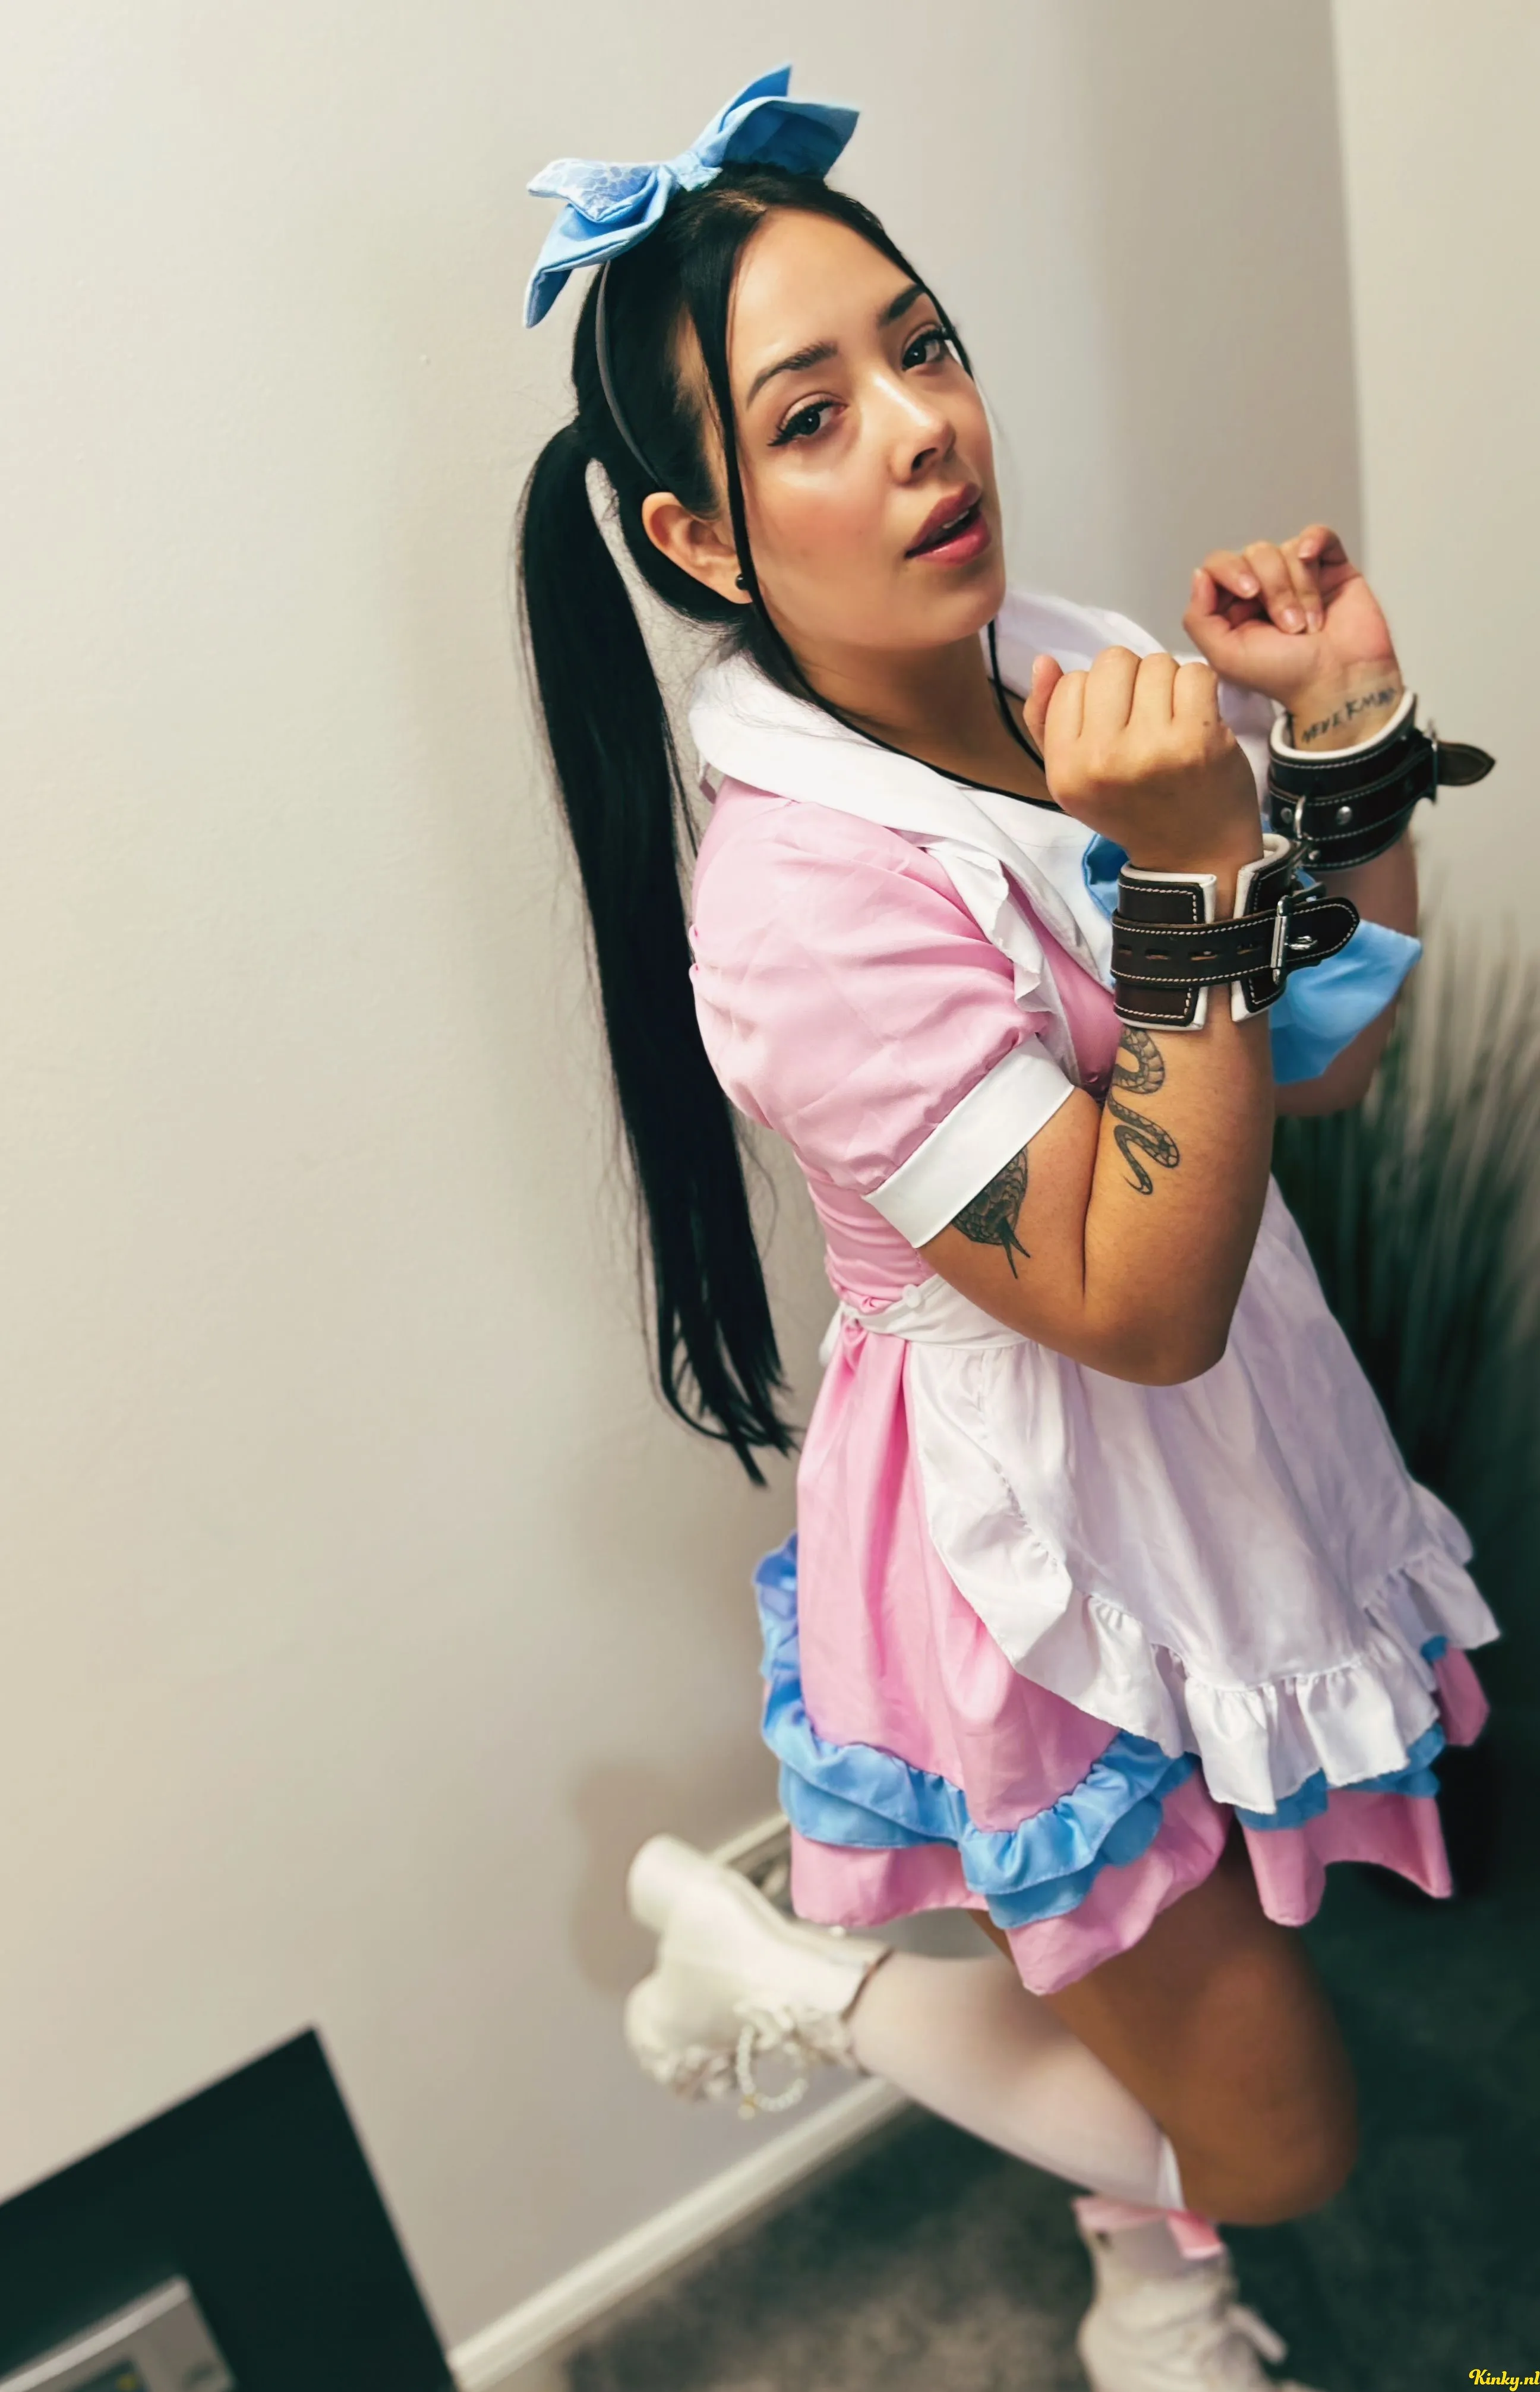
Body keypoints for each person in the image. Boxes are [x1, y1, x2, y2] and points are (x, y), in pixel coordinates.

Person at [518, 68, 1497, 2391]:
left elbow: (1316, 1061)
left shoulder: (1046, 665)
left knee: (1195, 1964)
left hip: (1209, 1449)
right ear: (698, 533)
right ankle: (807, 1980)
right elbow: (1134, 1304)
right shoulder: (797, 913)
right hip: (1031, 1548)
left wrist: (1344, 731)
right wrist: (1189, 869)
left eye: (925, 347)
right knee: (1282, 2137)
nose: (924, 427)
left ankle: (1149, 2298)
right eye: (815, 414)